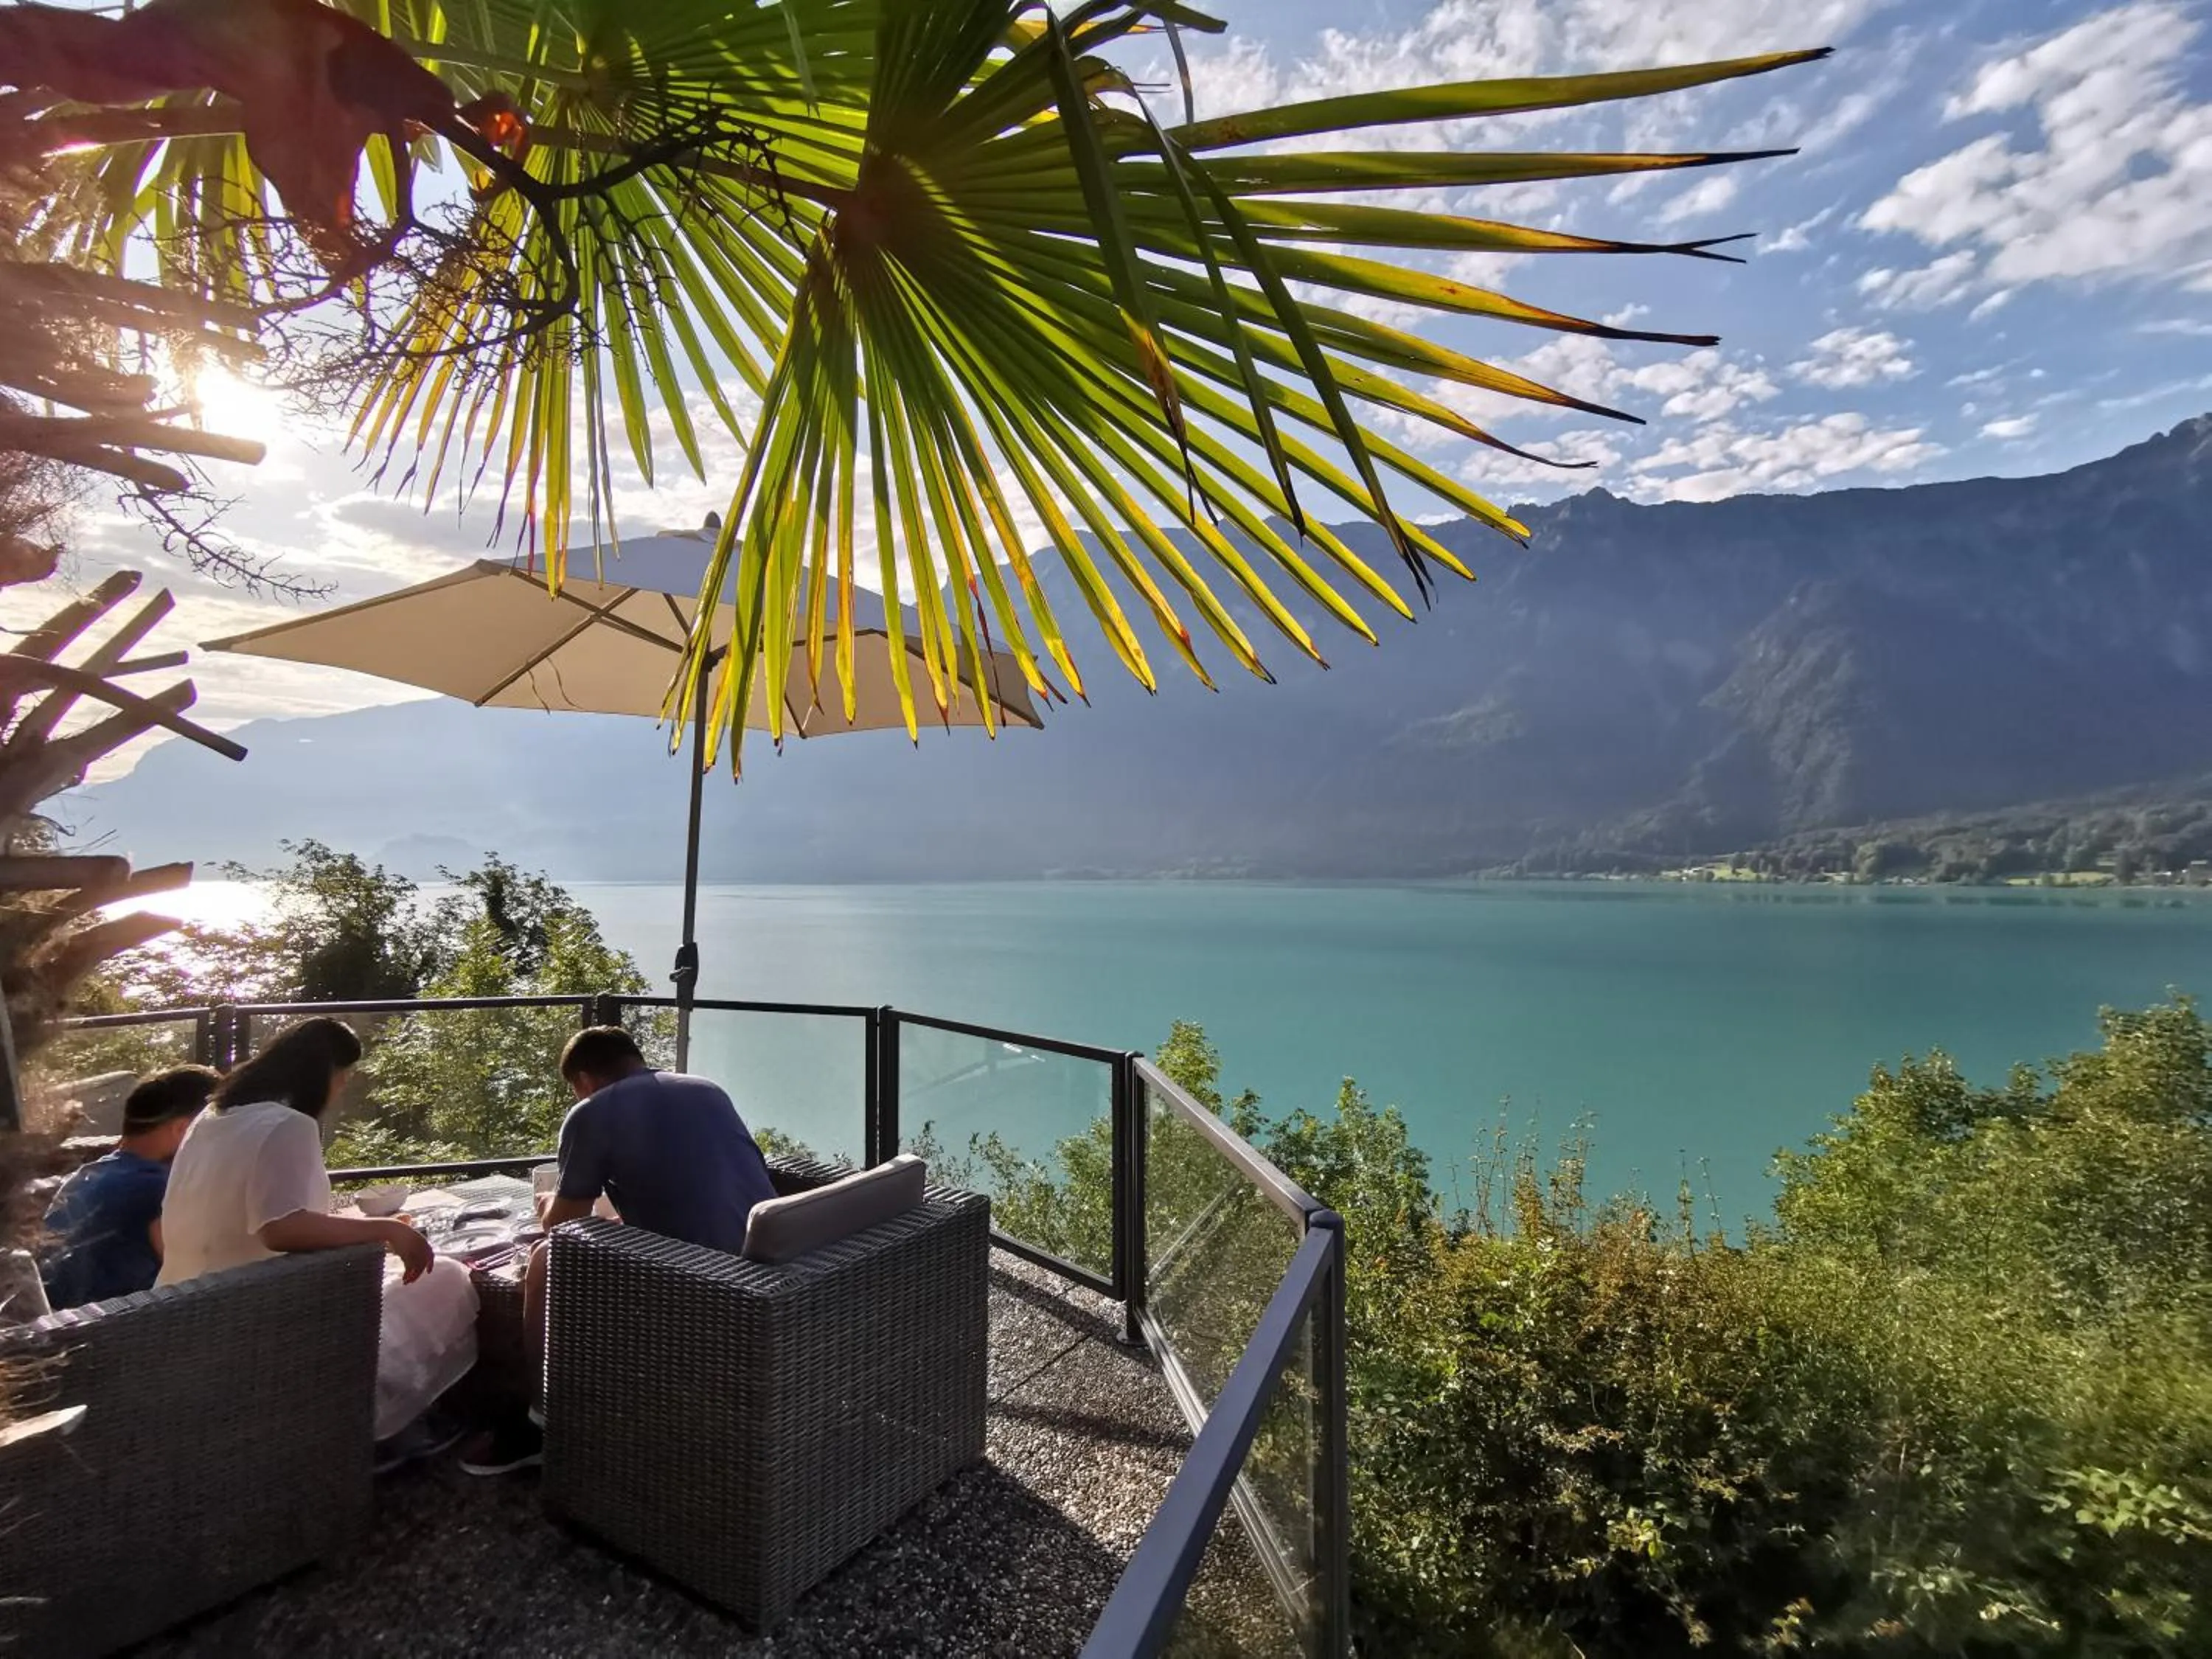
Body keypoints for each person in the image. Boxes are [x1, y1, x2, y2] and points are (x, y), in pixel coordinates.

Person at [158, 1016, 479, 1472]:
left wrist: (362, 1226)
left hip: (186, 1304)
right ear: (327, 1073)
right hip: (260, 1316)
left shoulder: (213, 1117)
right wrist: (389, 1231)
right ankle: (380, 1429)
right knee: (446, 1276)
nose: (342, 1088)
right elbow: (280, 1229)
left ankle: (381, 1421)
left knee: (394, 1283)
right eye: (344, 1077)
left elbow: (257, 1217)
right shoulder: (288, 1124)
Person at [459, 1026, 776, 1475]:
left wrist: (548, 1202)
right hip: (765, 1266)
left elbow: (563, 1222)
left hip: (700, 1284)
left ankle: (542, 1420)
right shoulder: (707, 1090)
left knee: (546, 1261)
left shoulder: (591, 1112)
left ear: (584, 1081)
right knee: (605, 1231)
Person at [38, 1065, 217, 1310]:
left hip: (60, 1326)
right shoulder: (158, 1188)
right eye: (218, 1130)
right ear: (183, 1130)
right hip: (121, 1332)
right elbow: (196, 1279)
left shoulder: (87, 1175)